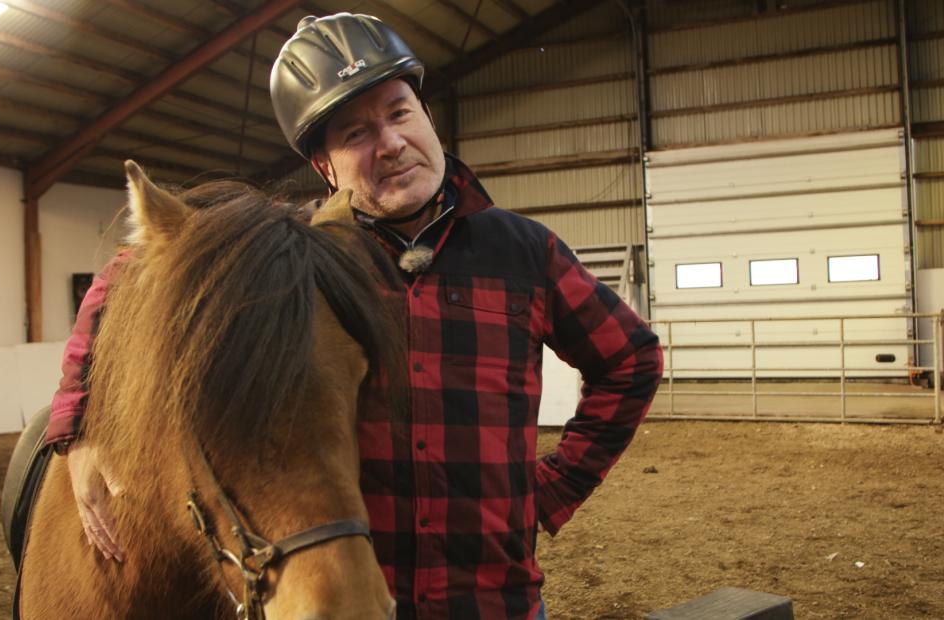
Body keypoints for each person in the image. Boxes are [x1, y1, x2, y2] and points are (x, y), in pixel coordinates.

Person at [45, 13, 663, 619]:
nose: (391, 144)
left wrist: (551, 489)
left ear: (427, 116)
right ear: (325, 168)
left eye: (399, 114)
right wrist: (76, 430)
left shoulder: (525, 252)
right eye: (355, 134)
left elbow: (630, 359)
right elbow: (134, 266)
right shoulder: (306, 255)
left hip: (493, 599)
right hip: (358, 597)